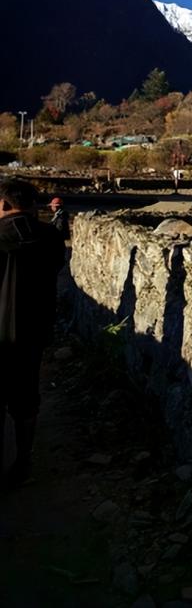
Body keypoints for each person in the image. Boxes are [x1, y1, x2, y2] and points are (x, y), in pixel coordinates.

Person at [0, 178, 65, 487]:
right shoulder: (50, 237)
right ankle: (23, 460)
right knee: (25, 401)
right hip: (31, 334)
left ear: (3, 204)